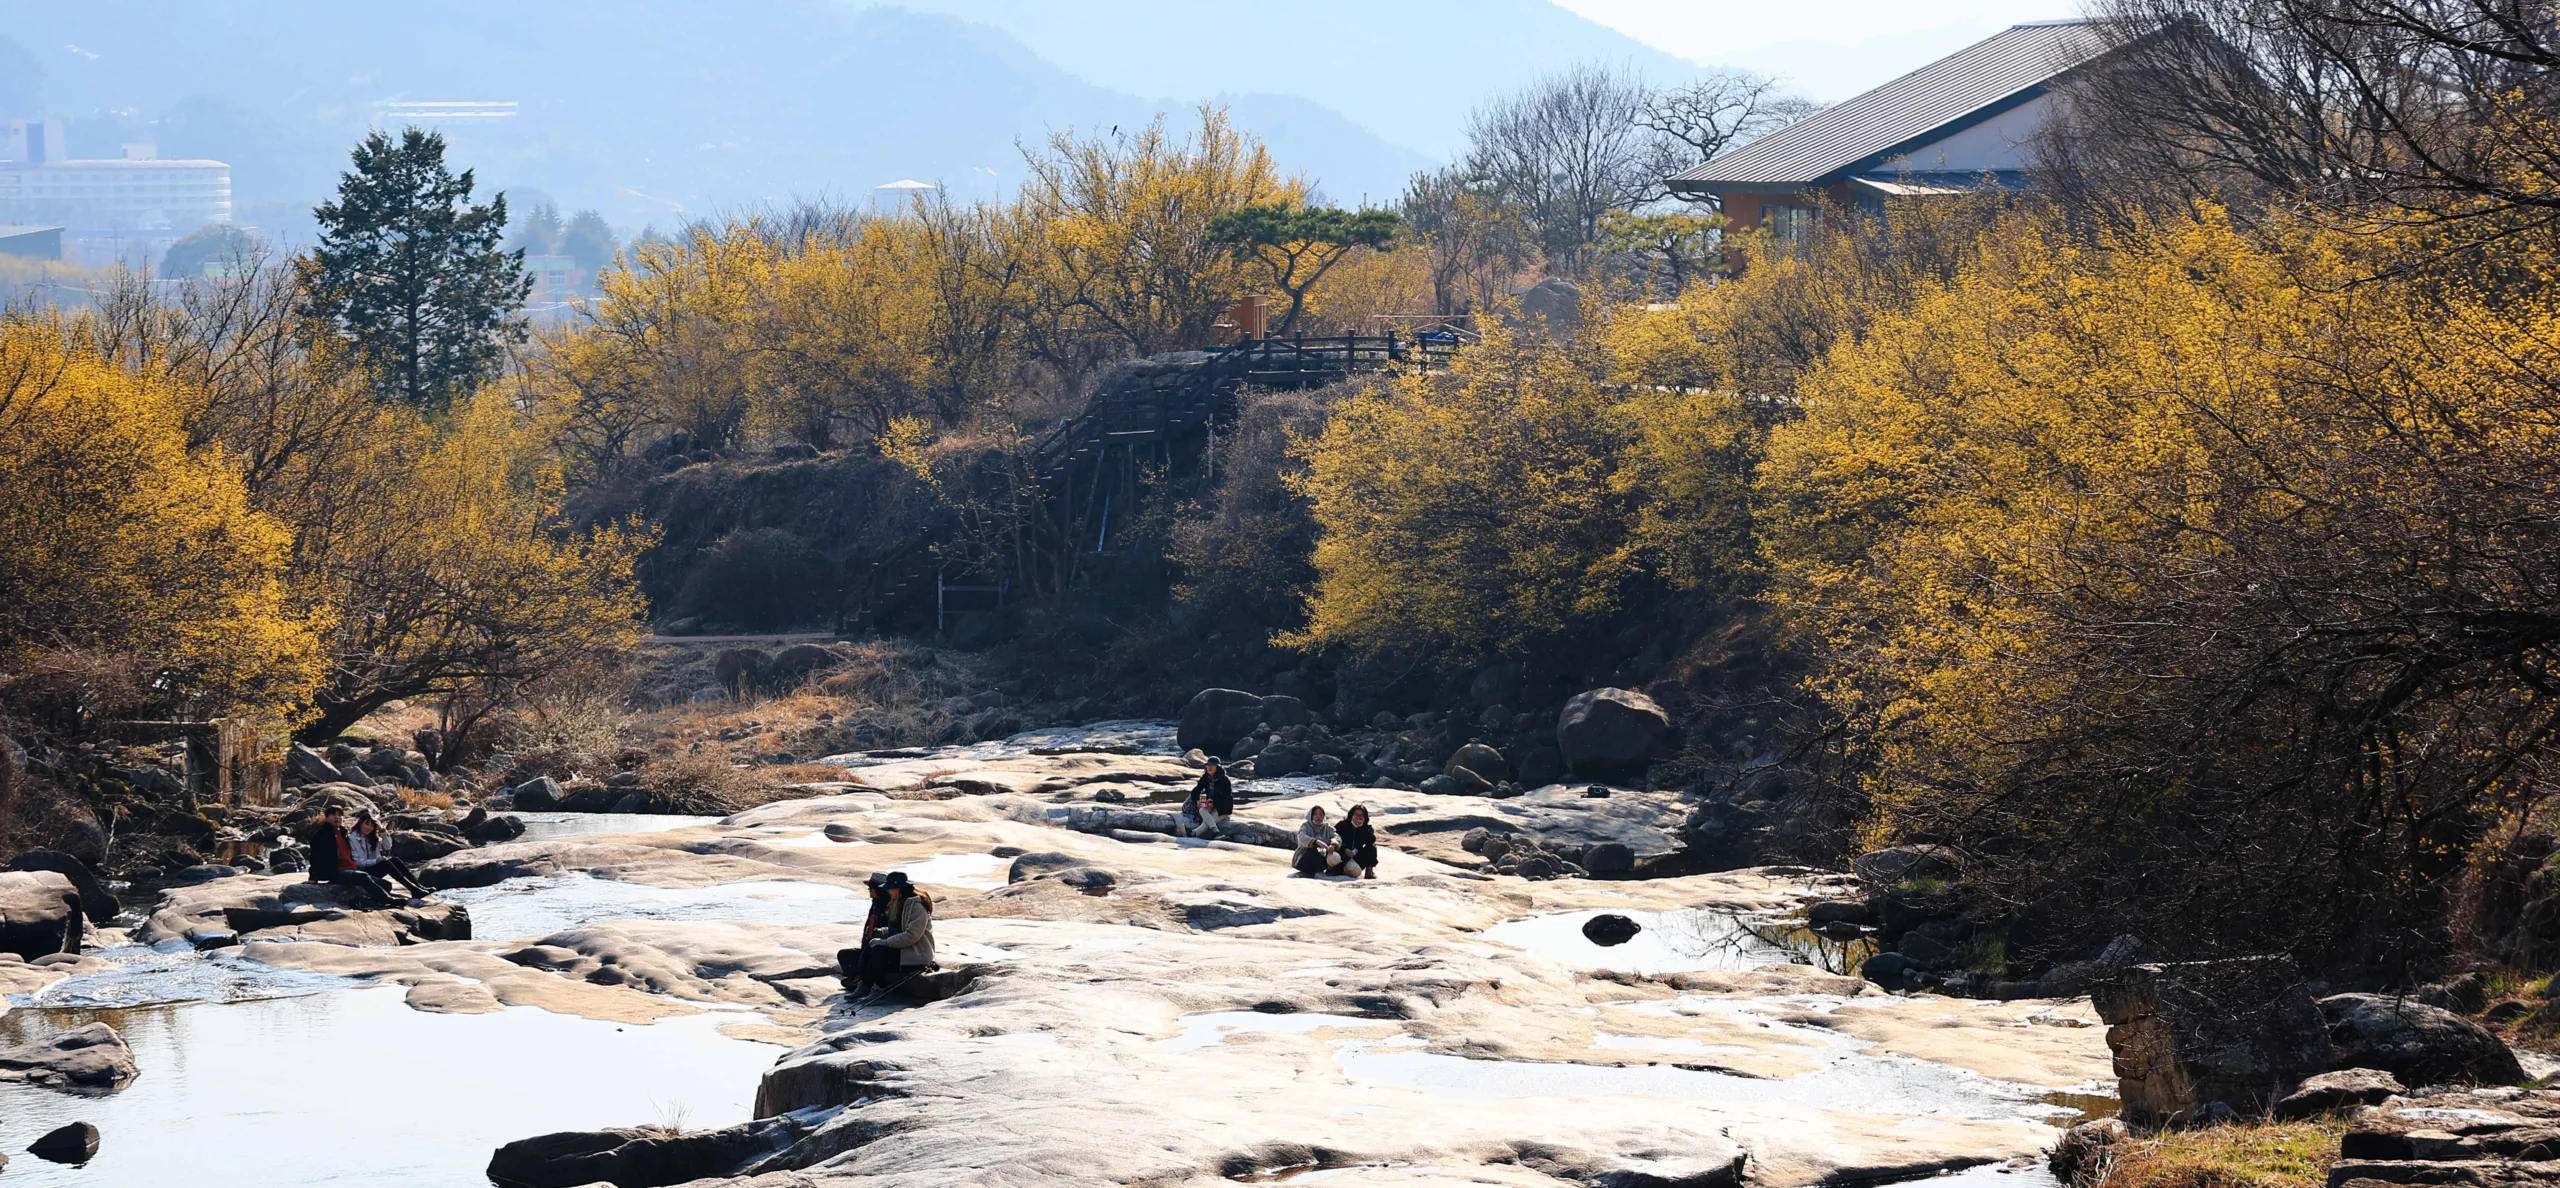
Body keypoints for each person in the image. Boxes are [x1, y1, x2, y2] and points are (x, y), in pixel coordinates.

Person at [302, 803, 394, 907]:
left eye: (339, 815)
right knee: (362, 876)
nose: (337, 817)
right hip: (336, 872)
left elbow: (387, 847)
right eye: (333, 815)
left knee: (386, 884)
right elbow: (315, 856)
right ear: (327, 818)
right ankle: (387, 900)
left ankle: (367, 900)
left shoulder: (343, 832)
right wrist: (313, 877)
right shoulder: (321, 835)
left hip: (352, 869)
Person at [348, 811, 431, 899]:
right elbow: (356, 862)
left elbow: (388, 846)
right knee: (386, 864)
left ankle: (418, 886)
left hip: (373, 868)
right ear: (360, 823)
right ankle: (413, 889)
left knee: (395, 860)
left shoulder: (372, 837)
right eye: (367, 824)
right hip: (362, 873)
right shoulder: (352, 838)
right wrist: (376, 861)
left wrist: (382, 830)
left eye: (372, 826)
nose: (369, 828)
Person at [869, 871, 936, 974]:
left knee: (879, 951)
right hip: (902, 951)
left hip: (915, 956)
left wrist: (885, 942)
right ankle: (864, 982)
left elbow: (911, 935)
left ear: (899, 888)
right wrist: (882, 932)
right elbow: (899, 928)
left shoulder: (917, 907)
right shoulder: (897, 902)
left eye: (890, 888)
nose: (888, 891)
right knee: (869, 948)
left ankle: (873, 984)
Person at [1294, 805, 1362, 877]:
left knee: (1334, 855)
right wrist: (1316, 842)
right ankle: (1310, 872)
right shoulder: (1306, 826)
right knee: (1313, 849)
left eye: (1320, 814)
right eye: (1315, 814)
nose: (1318, 816)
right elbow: (1302, 837)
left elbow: (1337, 837)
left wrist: (1333, 845)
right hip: (1304, 859)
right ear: (1311, 815)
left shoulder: (1327, 827)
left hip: (1321, 858)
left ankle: (1327, 871)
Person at [1183, 759, 1233, 838]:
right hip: (1210, 805)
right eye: (1208, 765)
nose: (1209, 767)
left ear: (1218, 767)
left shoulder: (1224, 780)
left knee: (1208, 821)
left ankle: (1195, 833)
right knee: (1202, 810)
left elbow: (1225, 796)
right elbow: (1196, 790)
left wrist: (1212, 801)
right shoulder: (1205, 777)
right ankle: (1215, 834)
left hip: (1223, 808)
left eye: (1212, 765)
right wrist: (1197, 800)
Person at [1338, 804, 1379, 880]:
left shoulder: (1367, 829)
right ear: (1351, 815)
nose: (1358, 818)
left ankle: (1369, 871)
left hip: (1356, 857)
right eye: (1356, 815)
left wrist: (1362, 828)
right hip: (1343, 856)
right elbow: (1335, 838)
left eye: (1361, 816)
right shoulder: (1342, 825)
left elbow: (1371, 841)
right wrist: (1344, 848)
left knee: (1372, 847)